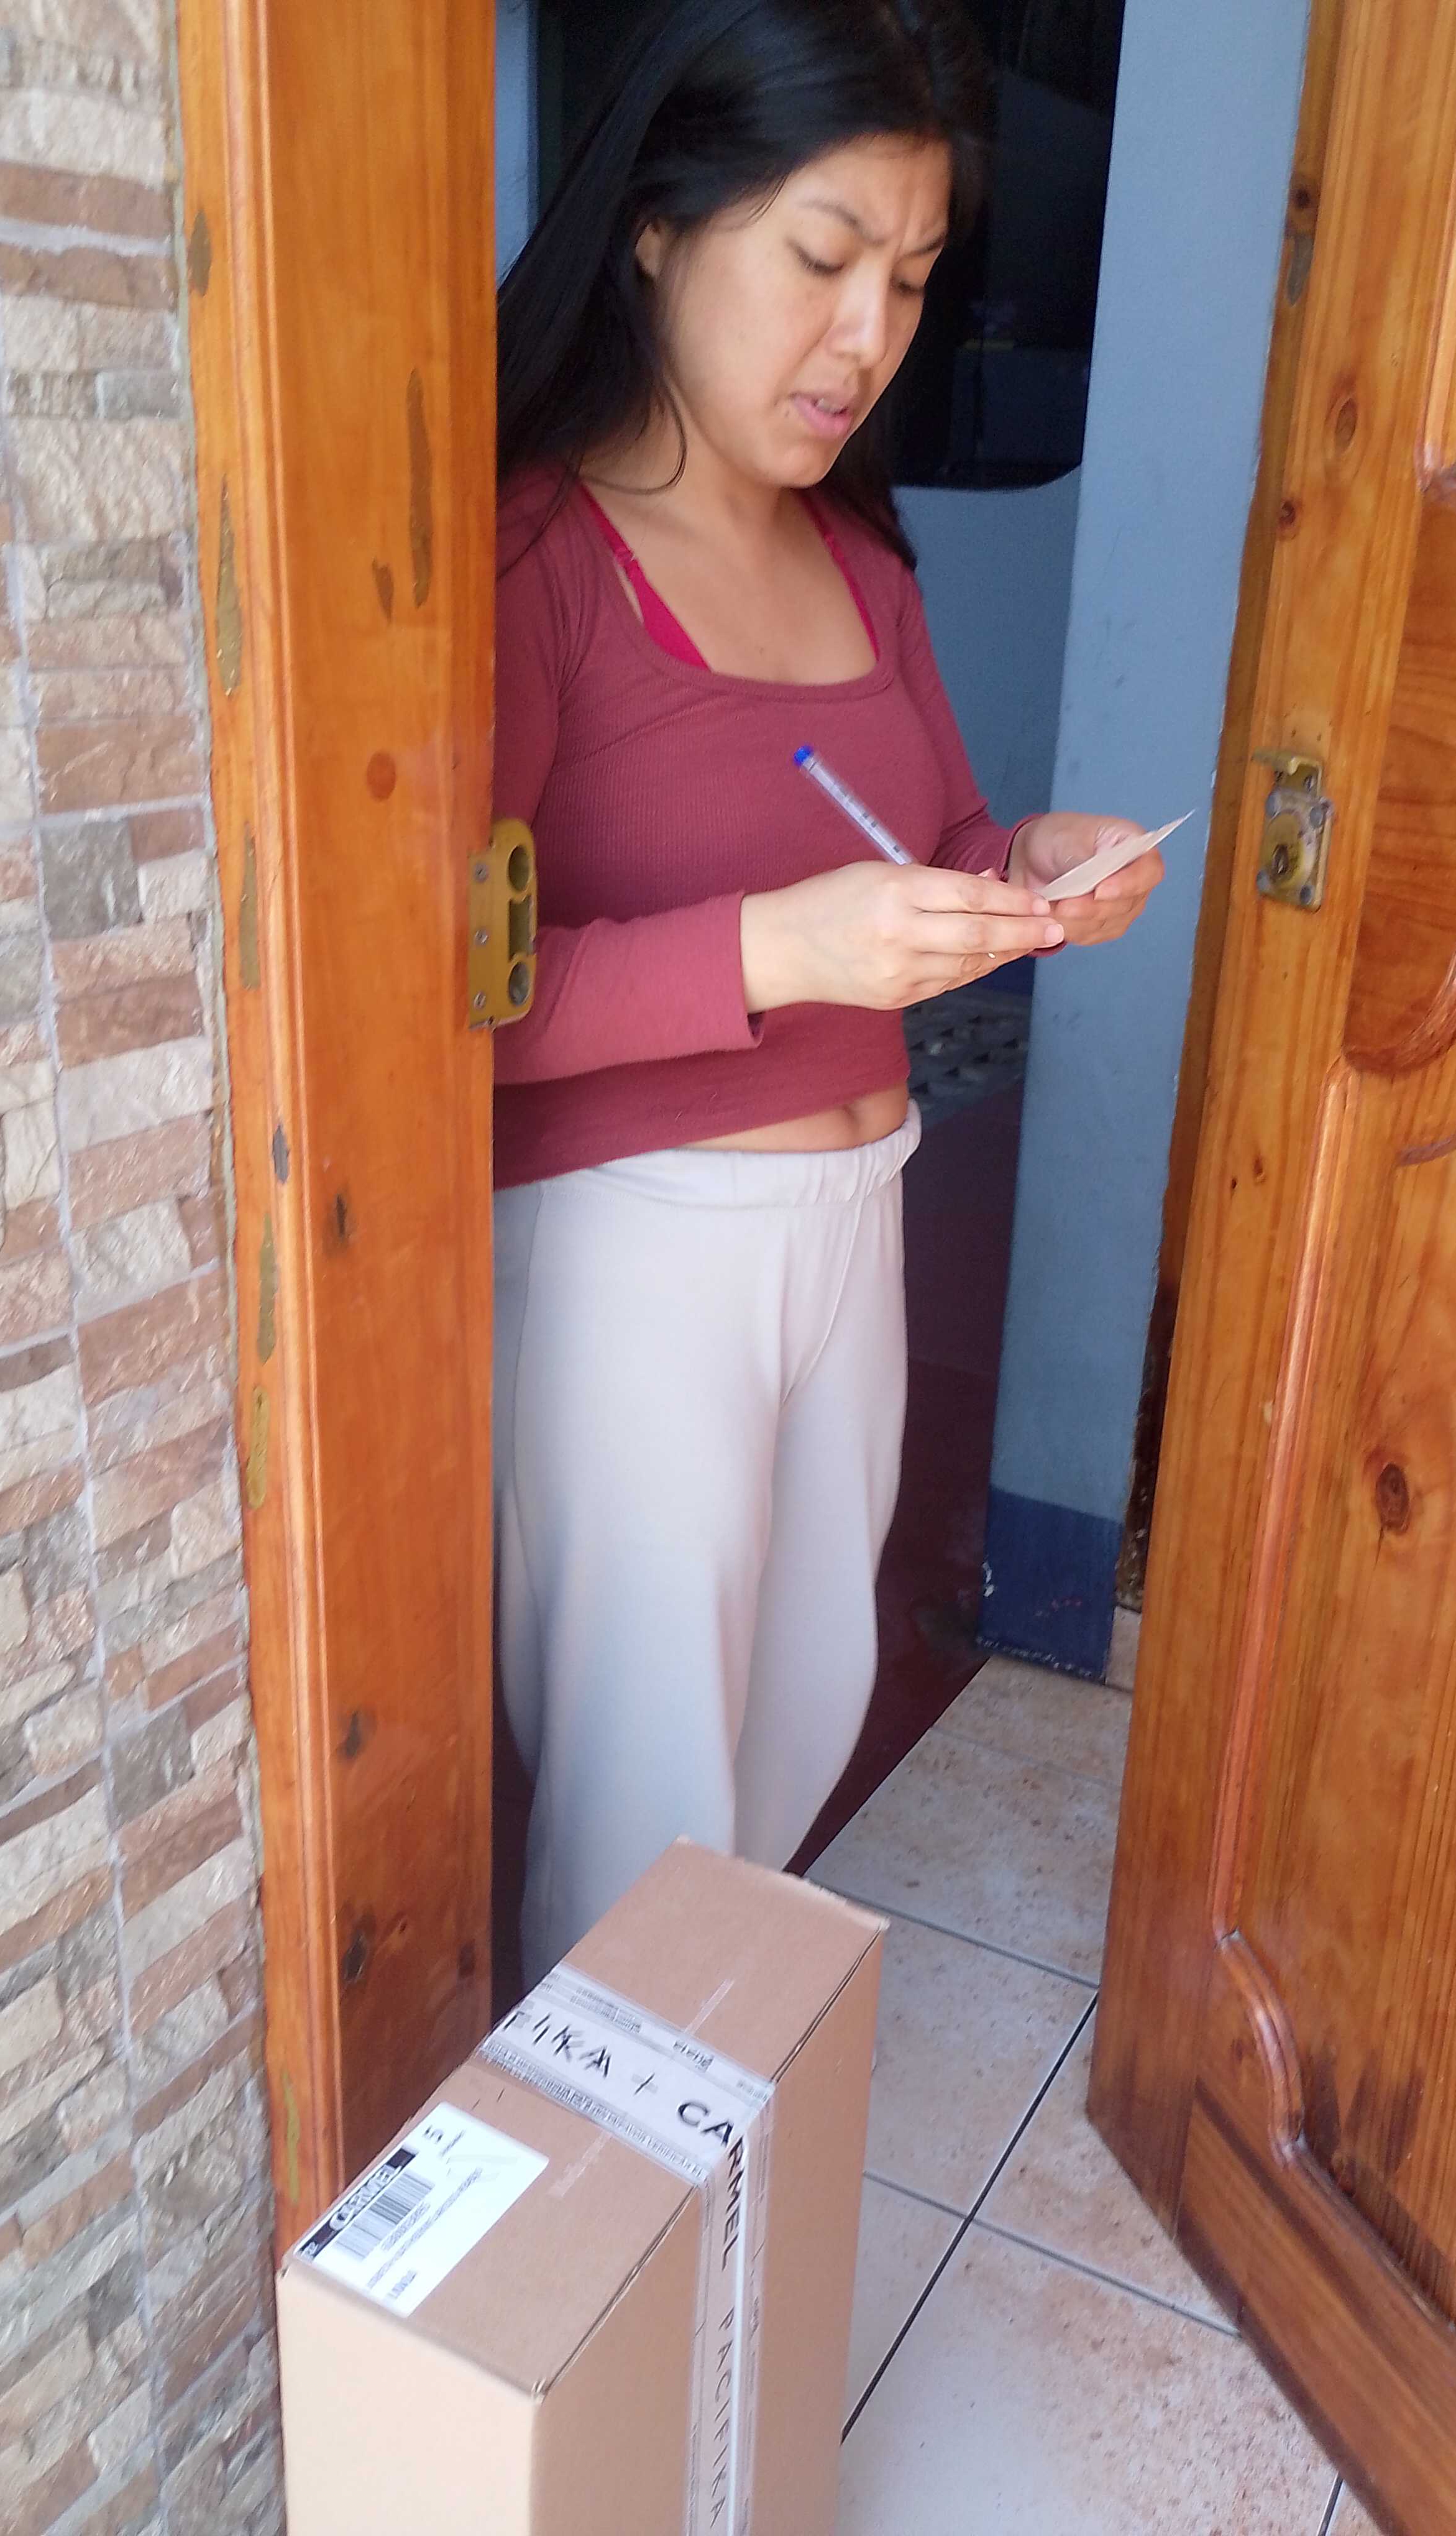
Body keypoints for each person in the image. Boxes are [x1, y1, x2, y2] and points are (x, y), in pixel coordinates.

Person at [492, 0, 1163, 1979]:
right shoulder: (535, 557)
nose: (870, 339)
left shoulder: (862, 560)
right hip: (633, 1246)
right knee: (643, 1803)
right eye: (822, 255)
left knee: (799, 1730)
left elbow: (940, 838)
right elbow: (445, 996)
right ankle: (599, 2164)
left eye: (916, 278)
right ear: (654, 224)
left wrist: (1032, 872)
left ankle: (689, 2138)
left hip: (857, 1214)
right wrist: (780, 950)